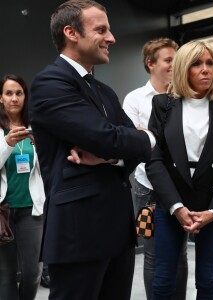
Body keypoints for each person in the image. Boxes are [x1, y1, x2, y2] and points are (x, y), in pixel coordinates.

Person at [28, 1, 154, 300]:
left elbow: (121, 143)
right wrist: (130, 141)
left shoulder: (103, 91)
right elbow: (109, 137)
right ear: (71, 33)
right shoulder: (50, 83)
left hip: (117, 233)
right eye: (101, 30)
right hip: (78, 235)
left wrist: (122, 148)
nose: (111, 38)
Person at [145, 40, 213, 300]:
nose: (205, 69)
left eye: (210, 63)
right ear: (184, 68)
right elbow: (154, 161)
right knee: (164, 281)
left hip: (210, 205)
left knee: (207, 282)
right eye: (197, 64)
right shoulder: (162, 104)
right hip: (171, 204)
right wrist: (176, 207)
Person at [123, 37, 188, 300]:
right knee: (152, 254)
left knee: (181, 252)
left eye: (176, 59)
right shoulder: (135, 99)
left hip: (181, 187)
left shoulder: (184, 96)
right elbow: (131, 143)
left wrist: (149, 136)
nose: (174, 65)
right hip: (147, 188)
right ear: (151, 64)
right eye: (168, 60)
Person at [0, 74, 45, 300]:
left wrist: (43, 148)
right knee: (6, 274)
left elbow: (47, 168)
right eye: (9, 93)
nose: (14, 98)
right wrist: (7, 144)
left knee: (33, 273)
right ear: (0, 98)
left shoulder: (34, 127)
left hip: (31, 209)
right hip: (3, 211)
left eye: (19, 93)